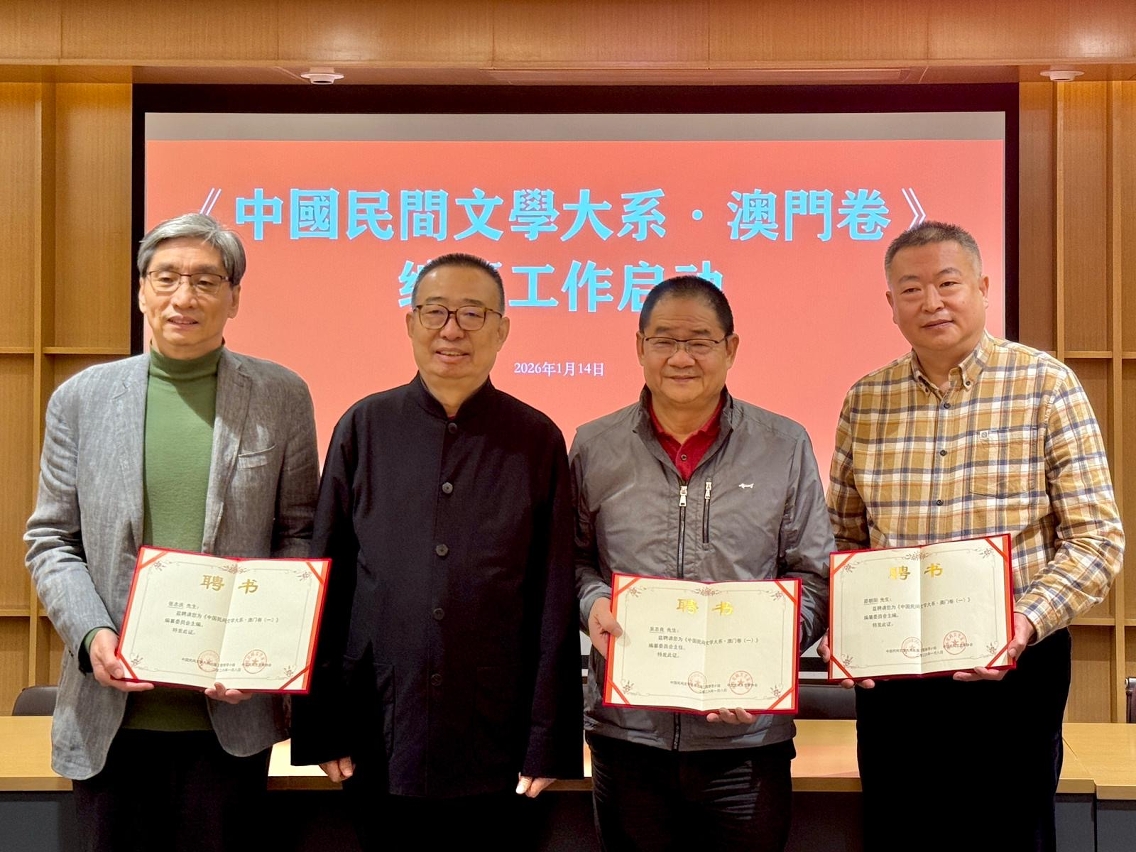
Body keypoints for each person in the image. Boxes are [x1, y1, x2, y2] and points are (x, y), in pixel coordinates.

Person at [821, 220, 1124, 852]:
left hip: (1015, 669)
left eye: (948, 283)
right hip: (896, 676)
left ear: (983, 288)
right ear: (891, 304)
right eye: (911, 289)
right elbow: (843, 536)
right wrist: (845, 626)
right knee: (899, 836)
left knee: (1011, 838)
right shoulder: (865, 402)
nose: (931, 302)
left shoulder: (1046, 386)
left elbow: (1096, 539)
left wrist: (1023, 621)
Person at [24, 212, 320, 852]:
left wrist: (258, 646)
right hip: (111, 721)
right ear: (141, 290)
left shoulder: (281, 396)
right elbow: (51, 540)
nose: (184, 296)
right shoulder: (81, 399)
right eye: (166, 278)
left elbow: (298, 534)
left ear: (234, 297)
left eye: (206, 280)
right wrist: (92, 635)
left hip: (229, 722)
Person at [290, 253, 583, 850]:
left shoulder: (536, 440)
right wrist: (322, 726)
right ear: (410, 322)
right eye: (436, 312)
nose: (453, 330)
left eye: (473, 314)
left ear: (502, 330)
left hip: (496, 737)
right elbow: (326, 583)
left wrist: (547, 740)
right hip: (377, 727)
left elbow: (553, 596)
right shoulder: (363, 427)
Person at [572, 275, 832, 852]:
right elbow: (574, 561)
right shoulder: (594, 446)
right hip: (628, 737)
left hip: (747, 743)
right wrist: (592, 604)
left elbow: (814, 575)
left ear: (730, 348)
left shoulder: (784, 445)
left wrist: (764, 661)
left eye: (700, 342)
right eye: (664, 341)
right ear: (639, 346)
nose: (681, 358)